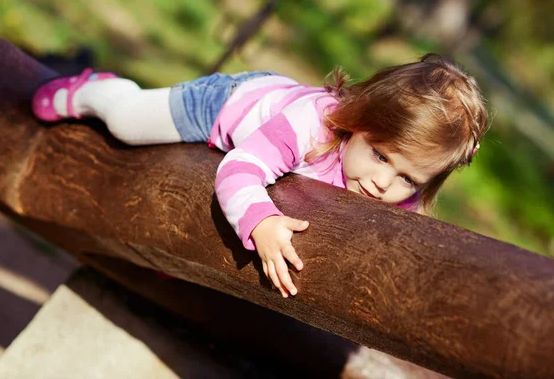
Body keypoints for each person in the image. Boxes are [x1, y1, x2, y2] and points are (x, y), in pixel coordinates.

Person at [32, 54, 489, 298]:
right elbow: (240, 168)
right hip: (225, 105)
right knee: (129, 125)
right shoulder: (310, 126)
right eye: (382, 157)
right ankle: (102, 91)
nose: (386, 184)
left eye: (410, 180)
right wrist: (262, 222)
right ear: (360, 120)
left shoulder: (392, 188)